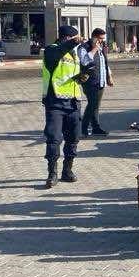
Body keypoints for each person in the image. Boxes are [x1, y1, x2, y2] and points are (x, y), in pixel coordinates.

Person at [40, 25, 96, 188]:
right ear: (66, 38)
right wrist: (73, 42)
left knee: (73, 137)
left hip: (73, 101)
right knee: (54, 138)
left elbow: (85, 67)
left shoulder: (76, 53)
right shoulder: (51, 50)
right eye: (75, 38)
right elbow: (57, 54)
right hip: (55, 101)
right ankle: (52, 173)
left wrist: (85, 75)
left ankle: (67, 170)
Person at [79, 27, 114, 137]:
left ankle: (96, 128)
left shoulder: (102, 47)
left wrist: (109, 76)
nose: (101, 41)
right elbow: (84, 62)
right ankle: (84, 128)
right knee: (92, 104)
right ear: (93, 37)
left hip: (101, 80)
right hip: (90, 81)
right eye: (99, 38)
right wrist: (94, 49)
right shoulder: (84, 47)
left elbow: (104, 62)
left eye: (103, 39)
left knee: (96, 106)